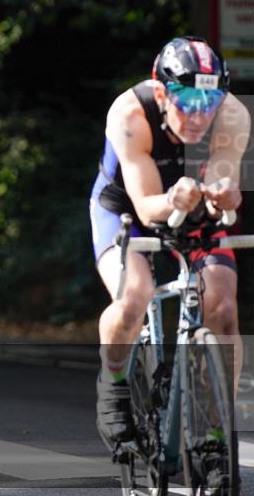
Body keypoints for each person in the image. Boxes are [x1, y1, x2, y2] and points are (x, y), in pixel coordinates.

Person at [90, 36, 250, 451]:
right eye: (186, 101)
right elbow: (145, 207)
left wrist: (224, 195)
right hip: (126, 207)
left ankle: (215, 437)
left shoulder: (232, 114)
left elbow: (220, 180)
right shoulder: (130, 114)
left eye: (209, 100)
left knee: (223, 308)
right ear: (161, 91)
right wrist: (174, 198)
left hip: (191, 203)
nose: (198, 115)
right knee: (135, 294)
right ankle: (114, 382)